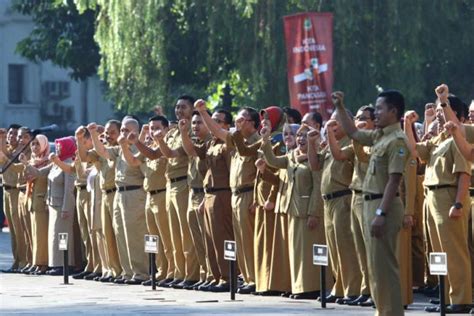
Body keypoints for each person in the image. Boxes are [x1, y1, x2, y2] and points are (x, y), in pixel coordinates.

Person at [330, 90, 409, 315]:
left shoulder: (397, 140)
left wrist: (381, 214)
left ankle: (391, 312)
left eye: (380, 108)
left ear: (394, 111)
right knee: (375, 267)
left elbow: (394, 180)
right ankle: (382, 310)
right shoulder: (379, 136)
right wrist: (340, 106)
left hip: (383, 206)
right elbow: (353, 132)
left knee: (385, 267)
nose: (376, 113)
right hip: (369, 204)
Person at [407, 84, 472, 314]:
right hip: (432, 196)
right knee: (438, 253)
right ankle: (446, 296)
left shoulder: (457, 138)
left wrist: (458, 203)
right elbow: (414, 150)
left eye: (440, 111)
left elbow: (464, 173)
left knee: (455, 251)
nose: (436, 115)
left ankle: (461, 298)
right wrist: (407, 123)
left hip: (448, 196)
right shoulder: (437, 141)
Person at [195, 101, 261, 294]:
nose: (237, 123)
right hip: (236, 194)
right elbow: (218, 133)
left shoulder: (257, 140)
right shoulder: (236, 138)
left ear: (253, 123)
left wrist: (203, 112)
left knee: (248, 239)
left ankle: (252, 278)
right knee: (240, 241)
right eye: (237, 119)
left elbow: (261, 173)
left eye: (241, 119)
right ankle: (247, 277)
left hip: (248, 193)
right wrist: (203, 113)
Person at [260, 123, 324, 299]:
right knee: (296, 252)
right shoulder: (291, 157)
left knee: (308, 251)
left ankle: (312, 287)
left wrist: (314, 212)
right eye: (299, 136)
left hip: (307, 212)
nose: (301, 139)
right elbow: (272, 161)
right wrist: (265, 139)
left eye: (305, 135)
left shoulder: (316, 159)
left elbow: (318, 187)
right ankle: (299, 287)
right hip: (291, 210)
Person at [89, 117, 149, 284]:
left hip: (134, 193)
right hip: (119, 194)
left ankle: (141, 273)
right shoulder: (119, 149)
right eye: (122, 130)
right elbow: (102, 151)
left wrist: (125, 144)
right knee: (121, 234)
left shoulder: (139, 147)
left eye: (127, 131)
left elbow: (133, 162)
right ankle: (128, 272)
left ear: (135, 132)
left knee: (134, 235)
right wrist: (94, 134)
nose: (124, 134)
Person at [181, 106, 235, 292]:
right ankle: (217, 276)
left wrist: (203, 112)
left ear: (227, 125)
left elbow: (231, 173)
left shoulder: (229, 141)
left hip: (223, 193)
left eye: (219, 121)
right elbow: (192, 150)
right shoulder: (211, 143)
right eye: (214, 120)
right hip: (210, 194)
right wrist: (183, 132)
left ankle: (229, 276)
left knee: (223, 238)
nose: (215, 124)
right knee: (210, 240)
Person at [326, 106, 375, 306]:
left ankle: (372, 290)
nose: (360, 120)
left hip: (370, 196)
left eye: (364, 118)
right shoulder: (356, 140)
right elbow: (338, 155)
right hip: (356, 195)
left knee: (370, 248)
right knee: (360, 249)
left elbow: (363, 156)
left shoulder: (376, 139)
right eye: (357, 118)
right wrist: (328, 133)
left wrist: (356, 134)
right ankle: (364, 289)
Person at [154, 96, 200, 289]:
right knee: (173, 235)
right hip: (170, 184)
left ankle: (190, 274)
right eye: (177, 107)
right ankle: (178, 272)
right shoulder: (174, 131)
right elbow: (163, 153)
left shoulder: (191, 130)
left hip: (183, 183)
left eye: (184, 107)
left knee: (185, 233)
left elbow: (174, 154)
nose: (179, 110)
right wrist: (159, 140)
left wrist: (165, 140)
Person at [23, 137, 77, 275]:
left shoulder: (68, 164)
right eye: (57, 146)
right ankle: (55, 263)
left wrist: (66, 207)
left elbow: (68, 190)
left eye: (60, 146)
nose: (57, 149)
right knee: (54, 236)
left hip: (62, 206)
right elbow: (39, 173)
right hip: (53, 205)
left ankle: (64, 264)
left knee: (62, 235)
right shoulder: (55, 163)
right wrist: (25, 163)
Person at [78, 120, 122, 282]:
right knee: (105, 234)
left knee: (118, 234)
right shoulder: (101, 149)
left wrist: (96, 136)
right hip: (103, 194)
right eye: (106, 133)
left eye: (112, 133)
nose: (108, 136)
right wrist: (80, 140)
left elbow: (103, 151)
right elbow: (84, 157)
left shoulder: (120, 149)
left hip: (116, 193)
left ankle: (122, 269)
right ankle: (109, 268)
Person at [0, 124, 24, 272]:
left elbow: (8, 159)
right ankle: (17, 260)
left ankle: (23, 261)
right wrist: (2, 139)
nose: (11, 137)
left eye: (15, 134)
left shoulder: (21, 151)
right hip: (6, 191)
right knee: (13, 231)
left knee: (19, 229)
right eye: (10, 134)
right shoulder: (9, 149)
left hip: (16, 191)